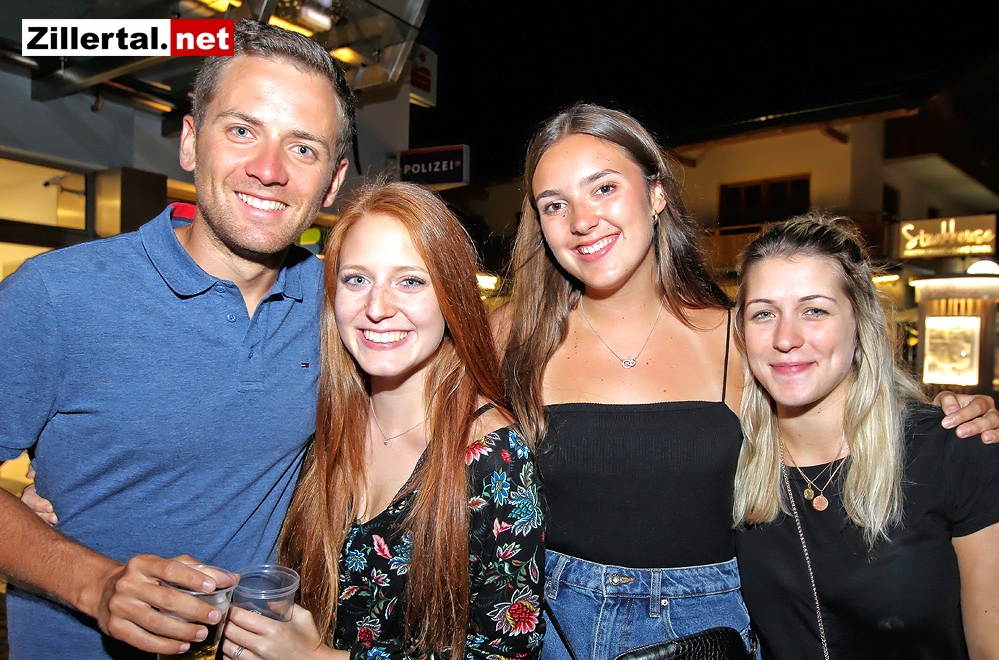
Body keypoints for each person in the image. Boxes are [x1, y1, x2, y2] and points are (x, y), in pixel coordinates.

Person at [496, 103, 999, 660]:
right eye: (555, 204)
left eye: (605, 188)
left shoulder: (743, 335)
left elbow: (843, 406)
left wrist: (952, 419)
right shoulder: (509, 338)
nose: (581, 220)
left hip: (709, 633)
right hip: (552, 629)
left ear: (657, 194)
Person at [0, 18, 353, 658]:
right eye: (241, 131)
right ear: (191, 142)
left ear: (332, 181)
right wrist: (94, 583)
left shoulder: (346, 305)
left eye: (303, 148)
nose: (268, 169)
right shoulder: (56, 295)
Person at [219, 181, 546, 660]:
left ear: (452, 295)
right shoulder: (319, 423)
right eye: (356, 280)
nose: (376, 308)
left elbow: (507, 654)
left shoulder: (493, 459)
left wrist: (316, 658)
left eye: (410, 281)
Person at [733, 214, 999, 659]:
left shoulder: (955, 449)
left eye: (814, 310)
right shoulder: (731, 467)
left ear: (860, 322)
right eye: (764, 314)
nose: (785, 338)